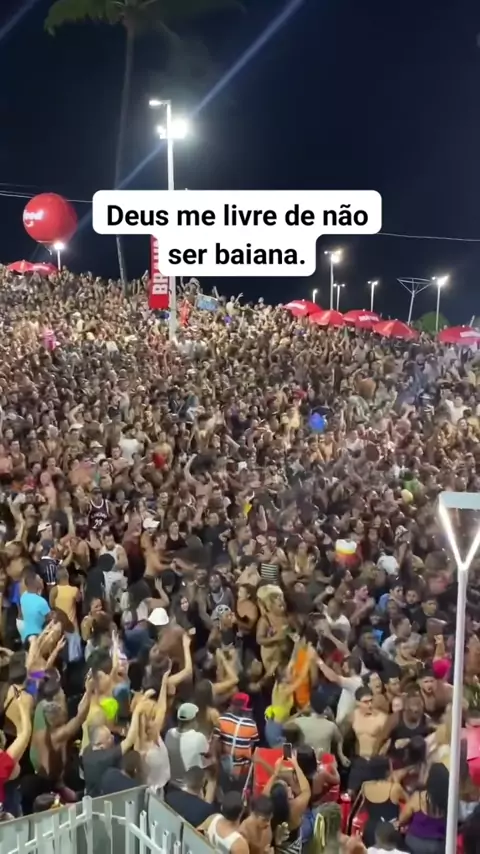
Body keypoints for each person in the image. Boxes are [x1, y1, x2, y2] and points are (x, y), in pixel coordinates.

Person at [398, 763, 448, 854]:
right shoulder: (450, 799)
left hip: (415, 843)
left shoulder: (418, 797)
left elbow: (402, 819)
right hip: (440, 845)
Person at [164, 702, 210, 788]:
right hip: (191, 787)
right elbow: (208, 757)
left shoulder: (169, 733)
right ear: (194, 719)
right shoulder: (199, 737)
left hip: (171, 784)